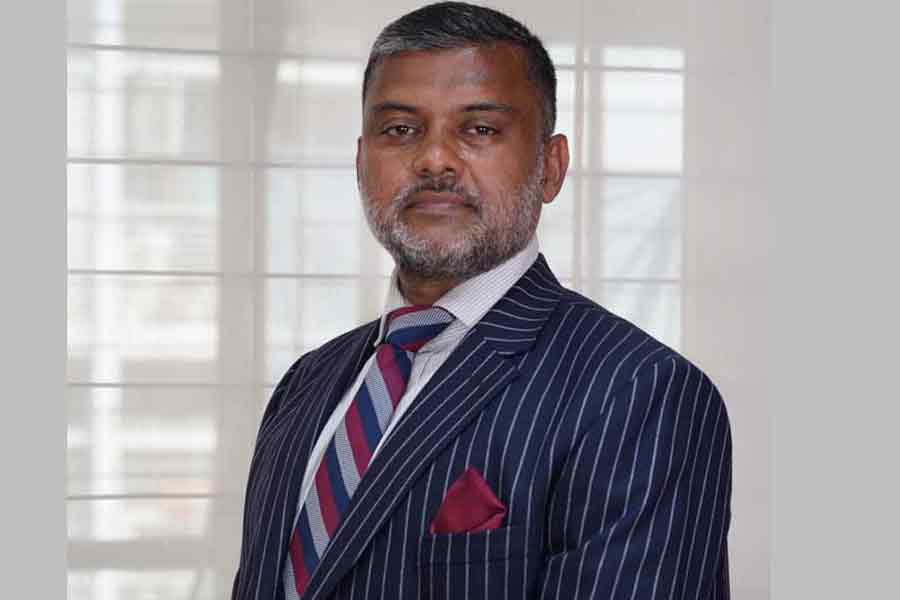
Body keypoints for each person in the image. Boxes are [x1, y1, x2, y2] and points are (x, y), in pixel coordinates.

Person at [232, 3, 731, 599]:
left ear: (551, 167)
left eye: (480, 130)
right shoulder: (307, 384)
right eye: (401, 130)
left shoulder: (638, 393)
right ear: (361, 163)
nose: (434, 159)